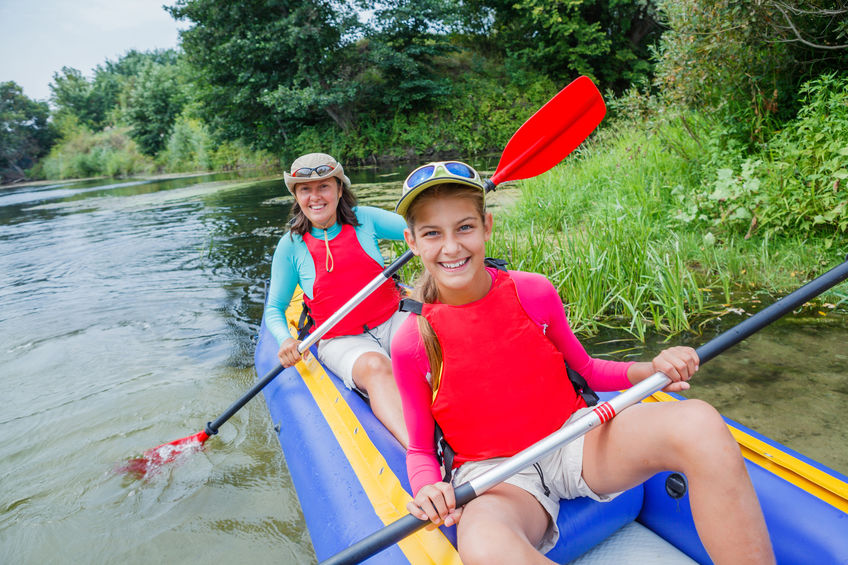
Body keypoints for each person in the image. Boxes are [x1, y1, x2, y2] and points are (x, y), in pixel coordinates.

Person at [389, 161, 774, 564]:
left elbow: (586, 369)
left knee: (698, 423)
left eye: (464, 227)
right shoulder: (412, 340)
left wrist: (651, 369)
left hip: (574, 438)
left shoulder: (532, 292)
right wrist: (428, 488)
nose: (451, 247)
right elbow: (420, 449)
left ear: (486, 227)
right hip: (496, 477)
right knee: (486, 548)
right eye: (432, 233)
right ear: (412, 242)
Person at [265, 153, 409, 447]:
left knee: (429, 343)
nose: (315, 197)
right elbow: (275, 308)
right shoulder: (291, 245)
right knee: (375, 367)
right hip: (341, 340)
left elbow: (417, 230)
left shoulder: (365, 219)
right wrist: (284, 339)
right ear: (296, 195)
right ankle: (422, 451)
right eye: (305, 189)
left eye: (324, 187)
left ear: (339, 189)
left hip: (392, 319)